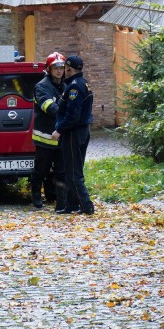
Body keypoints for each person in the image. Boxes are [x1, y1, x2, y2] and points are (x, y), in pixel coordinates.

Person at [51, 55, 95, 215]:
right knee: (74, 169)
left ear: (69, 69)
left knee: (73, 172)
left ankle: (87, 206)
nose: (63, 71)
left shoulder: (74, 88)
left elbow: (72, 116)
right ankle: (72, 205)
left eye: (65, 68)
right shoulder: (84, 84)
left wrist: (59, 130)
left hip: (72, 133)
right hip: (82, 131)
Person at [30, 52, 66, 210]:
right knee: (41, 170)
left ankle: (58, 199)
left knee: (60, 171)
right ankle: (36, 196)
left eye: (61, 67)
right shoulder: (42, 87)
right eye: (55, 68)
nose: (59, 71)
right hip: (45, 138)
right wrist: (69, 114)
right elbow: (50, 108)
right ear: (49, 69)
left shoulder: (65, 85)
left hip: (60, 137)